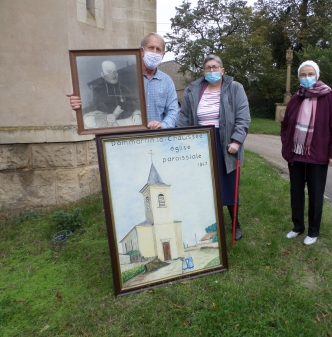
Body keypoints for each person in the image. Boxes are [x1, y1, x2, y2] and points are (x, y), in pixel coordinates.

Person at [178, 54, 251, 241]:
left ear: (222, 70)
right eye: (208, 67)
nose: (211, 70)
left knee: (228, 185)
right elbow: (184, 117)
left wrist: (236, 141)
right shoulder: (193, 90)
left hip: (226, 143)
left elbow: (243, 117)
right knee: (204, 185)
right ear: (203, 71)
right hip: (200, 142)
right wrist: (182, 140)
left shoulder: (235, 88)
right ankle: (209, 225)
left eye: (215, 67)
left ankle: (235, 223)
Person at [281, 60, 332, 245]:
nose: (306, 77)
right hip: (296, 155)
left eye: (310, 74)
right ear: (299, 77)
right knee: (296, 192)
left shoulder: (329, 96)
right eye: (303, 74)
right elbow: (285, 125)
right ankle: (298, 226)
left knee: (316, 194)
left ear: (317, 75)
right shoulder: (295, 98)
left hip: (318, 155)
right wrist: (286, 145)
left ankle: (313, 231)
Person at [67, 33, 178, 129]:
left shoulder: (167, 82)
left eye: (158, 49)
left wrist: (163, 125)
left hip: (157, 139)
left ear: (163, 55)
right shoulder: (128, 80)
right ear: (142, 51)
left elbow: (174, 111)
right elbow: (90, 108)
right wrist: (79, 104)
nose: (154, 52)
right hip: (124, 140)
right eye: (151, 47)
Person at [81, 60, 142, 129]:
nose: (113, 76)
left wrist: (137, 114)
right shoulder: (97, 91)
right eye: (109, 72)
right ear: (102, 74)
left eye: (115, 72)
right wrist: (105, 117)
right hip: (106, 127)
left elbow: (135, 104)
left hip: (126, 124)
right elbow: (88, 112)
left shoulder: (124, 89)